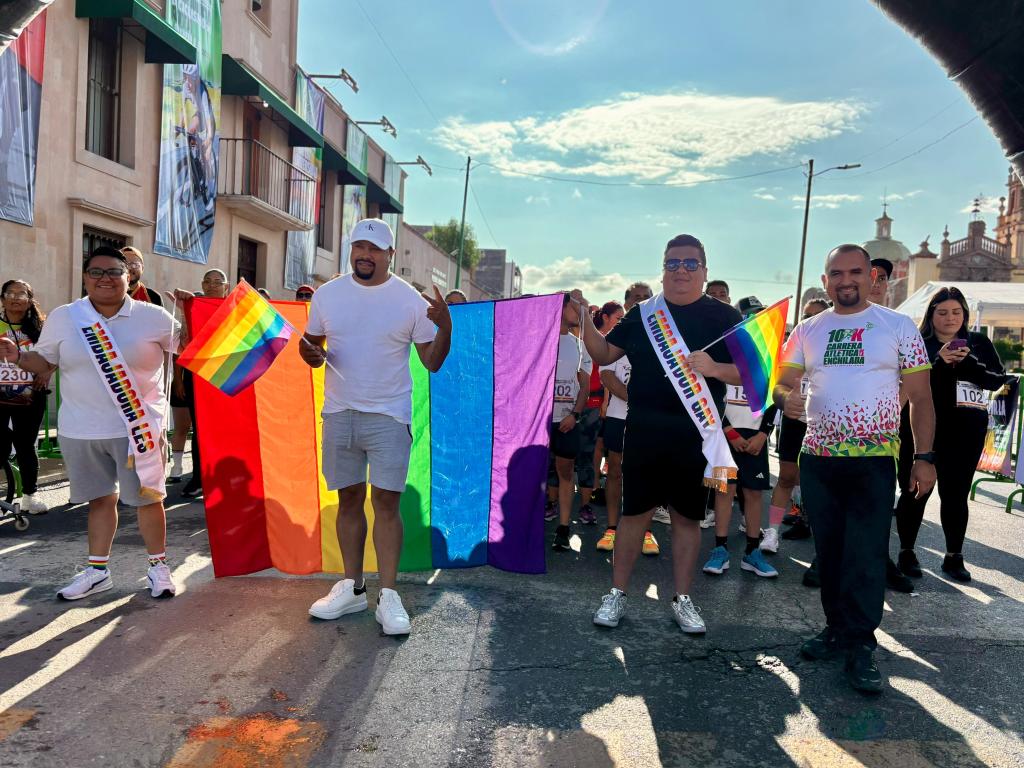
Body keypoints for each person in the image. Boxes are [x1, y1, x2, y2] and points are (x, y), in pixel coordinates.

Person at [774, 243, 935, 693]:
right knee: (829, 552)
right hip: (818, 459)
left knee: (865, 553)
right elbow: (782, 383)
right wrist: (785, 400)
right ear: (825, 281)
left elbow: (921, 398)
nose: (846, 281)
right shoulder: (808, 329)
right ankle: (836, 630)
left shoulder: (898, 326)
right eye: (837, 274)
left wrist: (924, 457)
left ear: (872, 277)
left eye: (855, 272)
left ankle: (861, 643)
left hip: (874, 459)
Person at [0, 247, 190, 601]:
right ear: (85, 278)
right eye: (96, 272)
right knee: (100, 501)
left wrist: (190, 313)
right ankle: (98, 571)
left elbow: (191, 350)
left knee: (148, 500)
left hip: (137, 429)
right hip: (81, 429)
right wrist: (18, 357)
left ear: (128, 277)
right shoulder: (66, 316)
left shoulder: (153, 316)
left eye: (114, 271)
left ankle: (158, 566)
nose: (105, 278)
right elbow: (44, 363)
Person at [583, 234, 743, 635]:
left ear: (704, 271)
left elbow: (751, 374)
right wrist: (584, 318)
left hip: (696, 436)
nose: (681, 271)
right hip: (644, 433)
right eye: (673, 263)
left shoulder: (725, 317)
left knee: (686, 519)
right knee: (633, 515)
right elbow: (603, 354)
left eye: (690, 264)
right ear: (663, 269)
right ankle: (617, 593)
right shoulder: (643, 313)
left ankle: (683, 599)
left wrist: (714, 368)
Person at [300, 218, 451, 636]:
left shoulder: (409, 301)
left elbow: (432, 362)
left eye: (374, 249)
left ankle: (388, 595)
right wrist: (310, 354)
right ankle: (352, 588)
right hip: (339, 413)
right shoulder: (328, 295)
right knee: (348, 500)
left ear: (390, 254)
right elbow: (310, 345)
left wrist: (446, 327)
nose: (365, 255)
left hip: (389, 416)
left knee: (385, 504)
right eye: (359, 247)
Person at [895, 286, 1006, 583]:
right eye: (942, 312)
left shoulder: (979, 342)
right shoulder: (919, 343)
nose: (950, 318)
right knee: (914, 492)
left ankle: (954, 556)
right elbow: (906, 384)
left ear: (964, 315)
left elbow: (996, 380)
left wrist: (968, 362)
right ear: (931, 315)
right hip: (921, 431)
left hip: (966, 433)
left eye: (956, 312)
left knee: (956, 495)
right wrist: (938, 362)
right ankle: (906, 552)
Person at [771, 298, 830, 543]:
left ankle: (810, 522)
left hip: (824, 424)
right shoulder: (794, 343)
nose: (810, 319)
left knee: (818, 480)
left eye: (817, 314)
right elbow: (777, 384)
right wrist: (786, 399)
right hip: (794, 419)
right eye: (806, 315)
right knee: (787, 476)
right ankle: (772, 533)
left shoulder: (834, 345)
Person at [172, 269, 229, 497]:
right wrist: (184, 309)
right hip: (197, 376)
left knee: (225, 430)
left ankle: (224, 478)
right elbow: (183, 344)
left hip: (226, 375)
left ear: (226, 287)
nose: (212, 285)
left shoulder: (234, 310)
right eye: (208, 281)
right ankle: (199, 478)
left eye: (218, 282)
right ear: (202, 285)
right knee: (200, 429)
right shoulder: (193, 307)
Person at [0, 280, 51, 513]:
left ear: (30, 300)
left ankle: (30, 497)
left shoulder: (42, 328)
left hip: (32, 396)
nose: (15, 297)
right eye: (10, 293)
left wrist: (47, 372)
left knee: (25, 445)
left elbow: (58, 353)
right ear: (2, 299)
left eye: (21, 294)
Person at [572, 301, 623, 528]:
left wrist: (604, 401)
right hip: (575, 401)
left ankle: (589, 493)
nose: (620, 322)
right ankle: (561, 497)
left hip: (597, 401)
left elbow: (606, 375)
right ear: (605, 317)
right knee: (574, 453)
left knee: (594, 448)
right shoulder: (590, 339)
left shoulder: (611, 342)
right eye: (618, 317)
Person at [548, 292, 591, 551]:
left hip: (566, 421)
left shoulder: (580, 345)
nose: (579, 312)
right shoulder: (541, 339)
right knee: (534, 473)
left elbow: (584, 386)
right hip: (540, 422)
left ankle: (563, 528)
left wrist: (574, 415)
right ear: (562, 307)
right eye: (576, 306)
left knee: (565, 472)